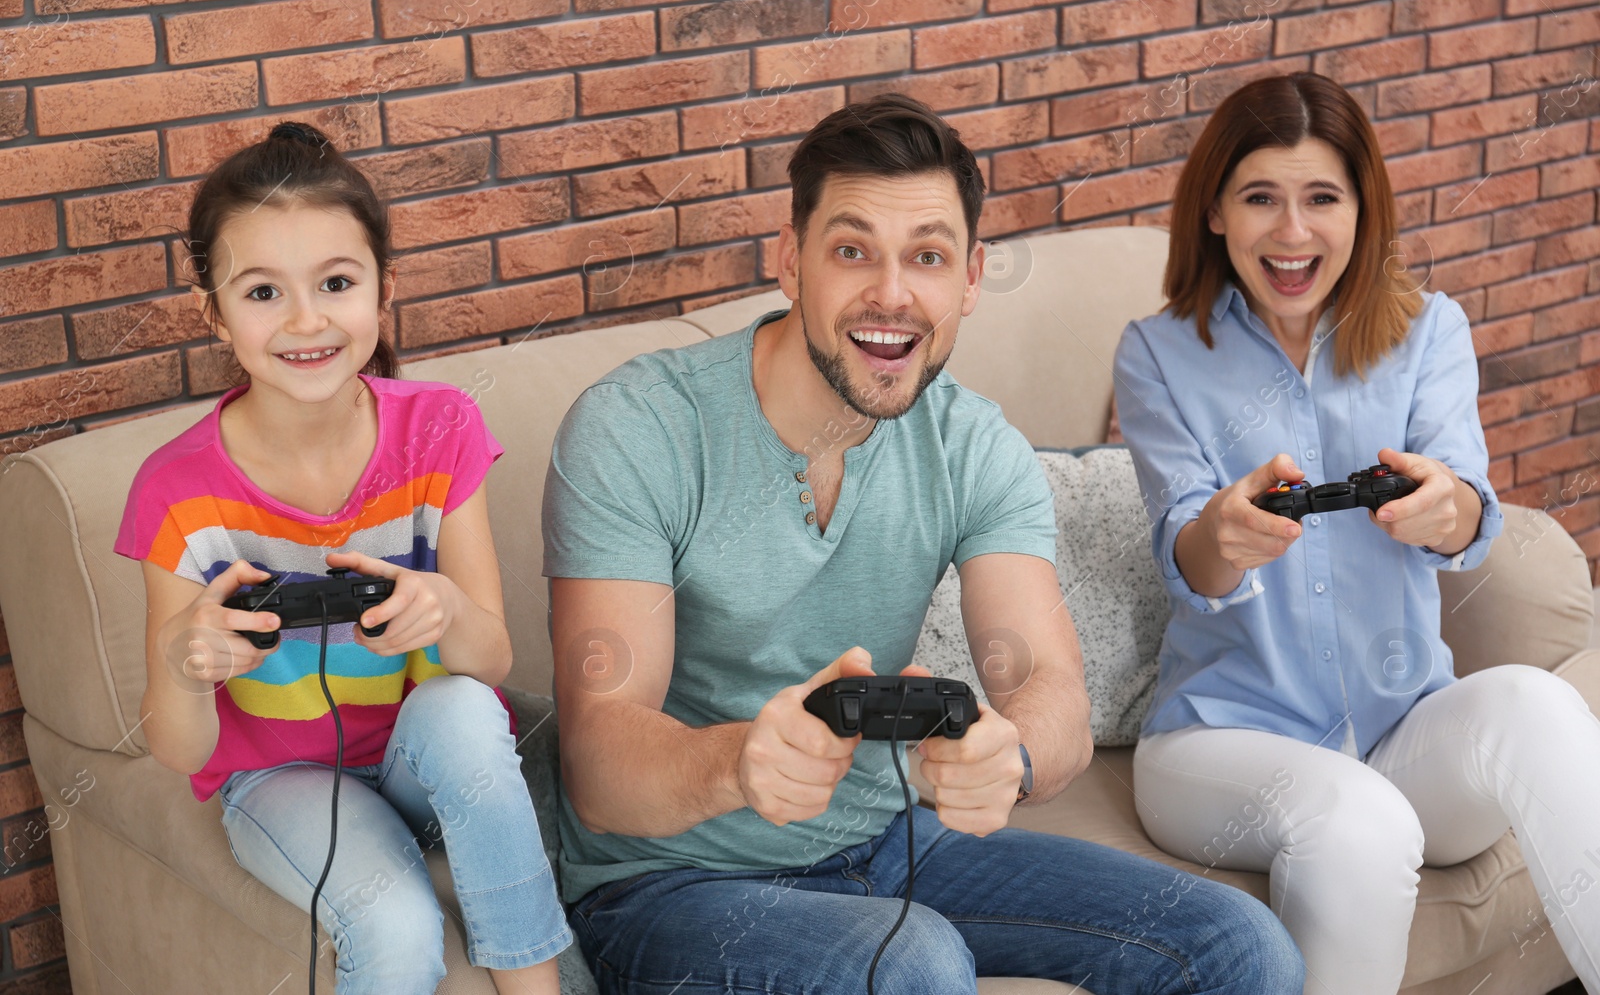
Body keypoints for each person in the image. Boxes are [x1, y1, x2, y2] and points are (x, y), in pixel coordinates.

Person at [543, 93, 1304, 994]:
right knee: (915, 964)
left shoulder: (974, 447)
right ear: (790, 261)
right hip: (666, 882)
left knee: (1238, 945)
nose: (893, 293)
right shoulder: (638, 429)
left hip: (887, 839)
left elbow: (1048, 687)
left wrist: (1009, 756)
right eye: (853, 249)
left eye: (929, 256)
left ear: (971, 278)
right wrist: (737, 761)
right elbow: (598, 763)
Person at [1113, 72, 1600, 994]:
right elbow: (1187, 550)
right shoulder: (1158, 351)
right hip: (1222, 741)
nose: (1292, 233)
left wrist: (1440, 507)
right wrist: (1226, 529)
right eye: (1260, 198)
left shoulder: (1428, 331)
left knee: (1541, 706)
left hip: (1405, 728)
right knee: (1358, 820)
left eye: (1321, 199)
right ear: (1215, 210)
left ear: (1361, 208)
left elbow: (1467, 512)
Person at [115, 123, 569, 995]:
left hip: (419, 754)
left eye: (335, 282)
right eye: (261, 292)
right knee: (396, 925)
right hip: (277, 779)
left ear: (382, 289)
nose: (306, 320)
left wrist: (444, 606)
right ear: (213, 311)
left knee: (467, 709)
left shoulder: (439, 430)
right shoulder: (175, 492)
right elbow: (180, 746)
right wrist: (184, 661)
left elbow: (493, 661)